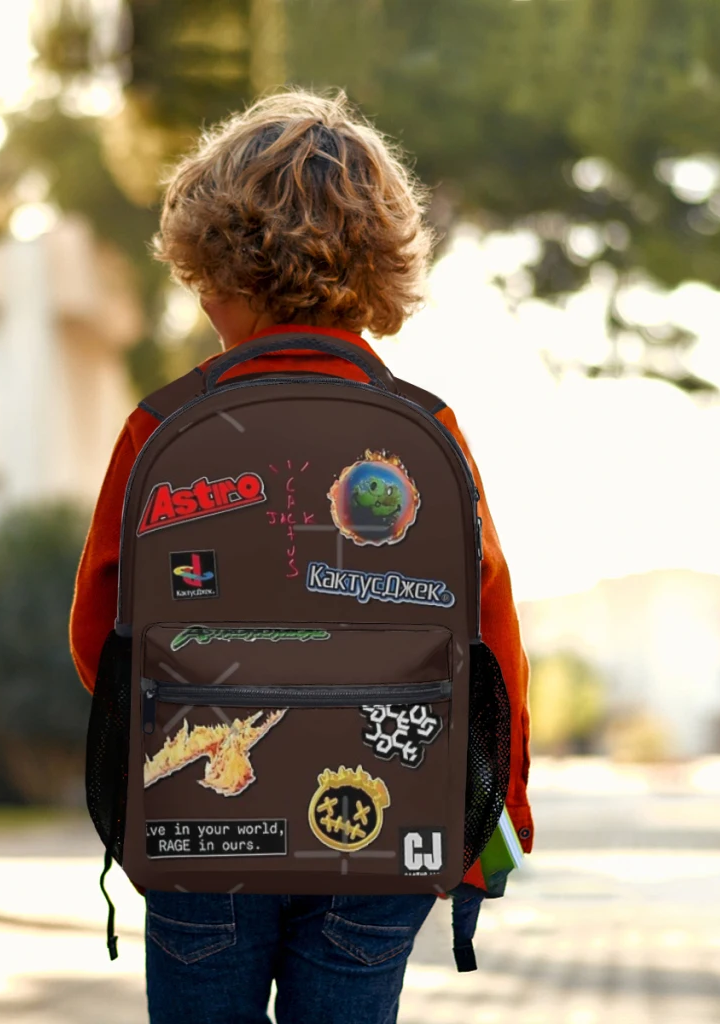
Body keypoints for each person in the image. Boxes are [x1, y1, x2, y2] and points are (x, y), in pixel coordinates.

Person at [70, 88, 532, 1024]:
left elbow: (97, 637)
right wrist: (497, 813)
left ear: (214, 269)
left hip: (204, 829)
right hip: (383, 828)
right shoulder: (427, 429)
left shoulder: (160, 427)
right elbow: (490, 638)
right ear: (381, 267)